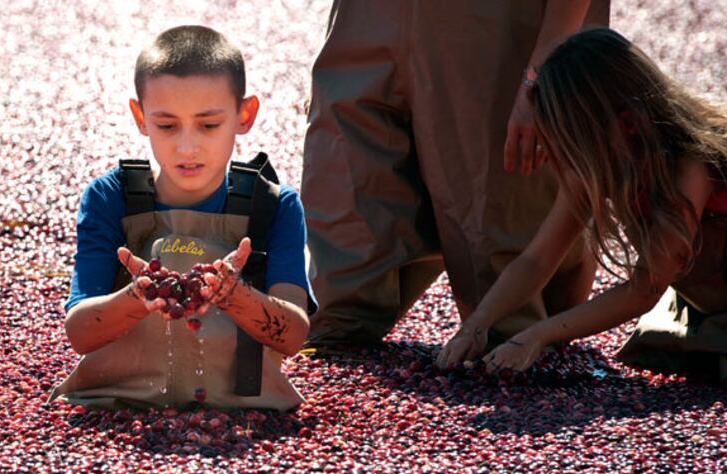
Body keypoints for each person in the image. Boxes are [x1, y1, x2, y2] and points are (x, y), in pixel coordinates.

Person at [301, 0, 609, 351]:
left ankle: (519, 337)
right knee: (349, 165)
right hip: (372, 15)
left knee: (507, 307)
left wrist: (544, 67)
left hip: (498, 23)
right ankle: (348, 319)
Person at [436, 28, 727, 383]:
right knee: (659, 346)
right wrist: (476, 325)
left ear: (628, 124)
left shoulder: (691, 168)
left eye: (575, 143)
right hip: (703, 303)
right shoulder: (596, 166)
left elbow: (646, 288)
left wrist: (539, 334)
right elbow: (536, 259)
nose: (568, 161)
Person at [50, 26, 316, 410]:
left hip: (244, 414)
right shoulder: (110, 198)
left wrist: (235, 295)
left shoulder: (274, 205)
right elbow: (79, 333)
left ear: (245, 114)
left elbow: (293, 336)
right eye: (167, 125)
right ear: (140, 117)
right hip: (117, 406)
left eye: (209, 125)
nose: (187, 146)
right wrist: (138, 296)